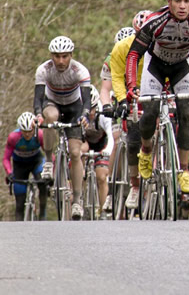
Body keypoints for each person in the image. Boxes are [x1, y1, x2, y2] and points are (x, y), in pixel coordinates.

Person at [126, 0, 189, 195]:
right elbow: (134, 54)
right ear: (169, 1)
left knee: (185, 113)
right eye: (177, 1)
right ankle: (146, 151)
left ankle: (184, 170)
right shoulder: (155, 21)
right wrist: (131, 85)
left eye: (187, 1)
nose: (182, 6)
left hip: (180, 68)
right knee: (150, 111)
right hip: (155, 67)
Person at [33, 36, 91, 220]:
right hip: (53, 103)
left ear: (71, 55)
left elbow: (86, 100)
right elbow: (38, 99)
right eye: (56, 56)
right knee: (50, 117)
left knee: (75, 153)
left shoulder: (79, 70)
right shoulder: (44, 69)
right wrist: (38, 114)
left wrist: (84, 115)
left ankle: (77, 201)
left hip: (74, 107)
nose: (60, 61)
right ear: (51, 55)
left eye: (65, 56)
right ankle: (49, 161)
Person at [105, 11, 152, 210]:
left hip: (152, 92)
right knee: (125, 142)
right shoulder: (120, 49)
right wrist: (120, 101)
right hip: (128, 95)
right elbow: (111, 82)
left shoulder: (161, 45)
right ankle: (122, 188)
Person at [3, 113, 47, 221]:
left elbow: (50, 155)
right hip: (20, 165)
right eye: (24, 131)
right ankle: (19, 227)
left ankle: (43, 215)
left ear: (34, 128)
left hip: (36, 162)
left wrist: (50, 173)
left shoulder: (39, 135)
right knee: (19, 202)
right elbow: (6, 158)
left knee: (42, 183)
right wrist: (9, 173)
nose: (27, 134)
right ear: (20, 129)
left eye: (30, 131)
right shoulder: (13, 137)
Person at [80, 85, 114, 217]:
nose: (91, 113)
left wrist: (107, 151)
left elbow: (111, 136)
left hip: (101, 145)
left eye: (93, 109)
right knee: (82, 148)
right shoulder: (79, 116)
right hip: (85, 143)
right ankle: (78, 200)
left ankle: (103, 210)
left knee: (101, 176)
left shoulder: (103, 115)